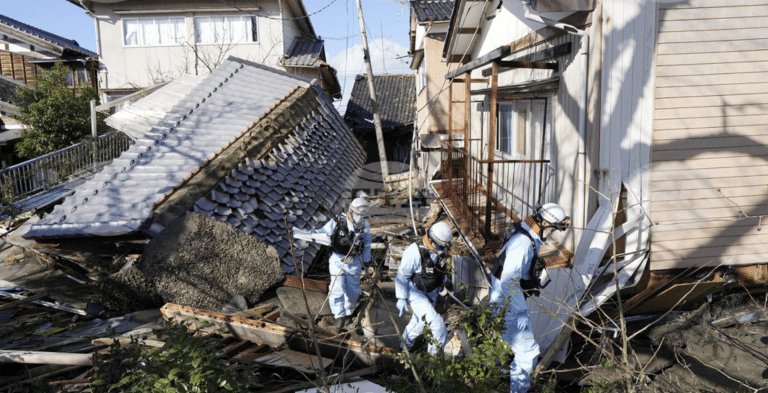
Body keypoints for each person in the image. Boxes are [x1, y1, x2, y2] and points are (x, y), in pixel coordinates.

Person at [489, 203, 570, 393]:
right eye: (551, 229)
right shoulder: (523, 242)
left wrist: (528, 280)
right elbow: (509, 281)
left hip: (503, 297)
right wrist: (521, 312)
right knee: (527, 353)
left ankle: (494, 378)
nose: (551, 233)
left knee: (506, 346)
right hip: (507, 301)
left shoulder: (525, 229)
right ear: (542, 223)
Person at [395, 221, 453, 354]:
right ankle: (435, 364)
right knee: (437, 325)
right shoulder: (414, 252)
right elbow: (402, 277)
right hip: (415, 293)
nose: (441, 249)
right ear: (431, 240)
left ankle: (403, 348)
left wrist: (442, 290)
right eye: (439, 246)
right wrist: (401, 297)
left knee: (419, 324)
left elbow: (441, 271)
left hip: (432, 292)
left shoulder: (440, 249)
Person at [314, 197, 372, 329]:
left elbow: (367, 243)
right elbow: (323, 232)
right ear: (351, 211)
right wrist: (312, 235)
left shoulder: (364, 225)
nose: (359, 217)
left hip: (354, 262)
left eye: (362, 215)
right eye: (358, 214)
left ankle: (348, 312)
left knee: (354, 291)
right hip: (338, 260)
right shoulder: (339, 221)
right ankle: (339, 315)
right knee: (337, 288)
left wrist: (366, 261)